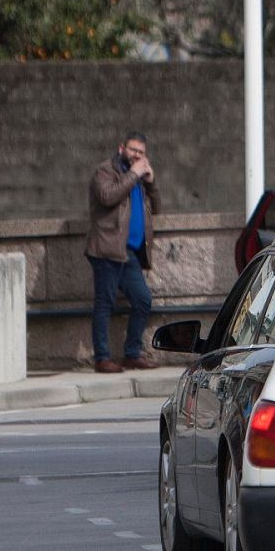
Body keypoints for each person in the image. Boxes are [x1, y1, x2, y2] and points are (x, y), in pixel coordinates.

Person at [86, 132, 162, 373]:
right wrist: (135, 174)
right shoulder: (105, 171)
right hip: (107, 249)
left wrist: (151, 182)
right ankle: (102, 358)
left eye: (141, 152)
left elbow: (157, 208)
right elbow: (108, 196)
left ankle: (132, 353)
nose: (137, 155)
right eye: (133, 150)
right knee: (104, 303)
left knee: (143, 300)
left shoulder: (138, 178)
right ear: (122, 148)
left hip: (129, 252)